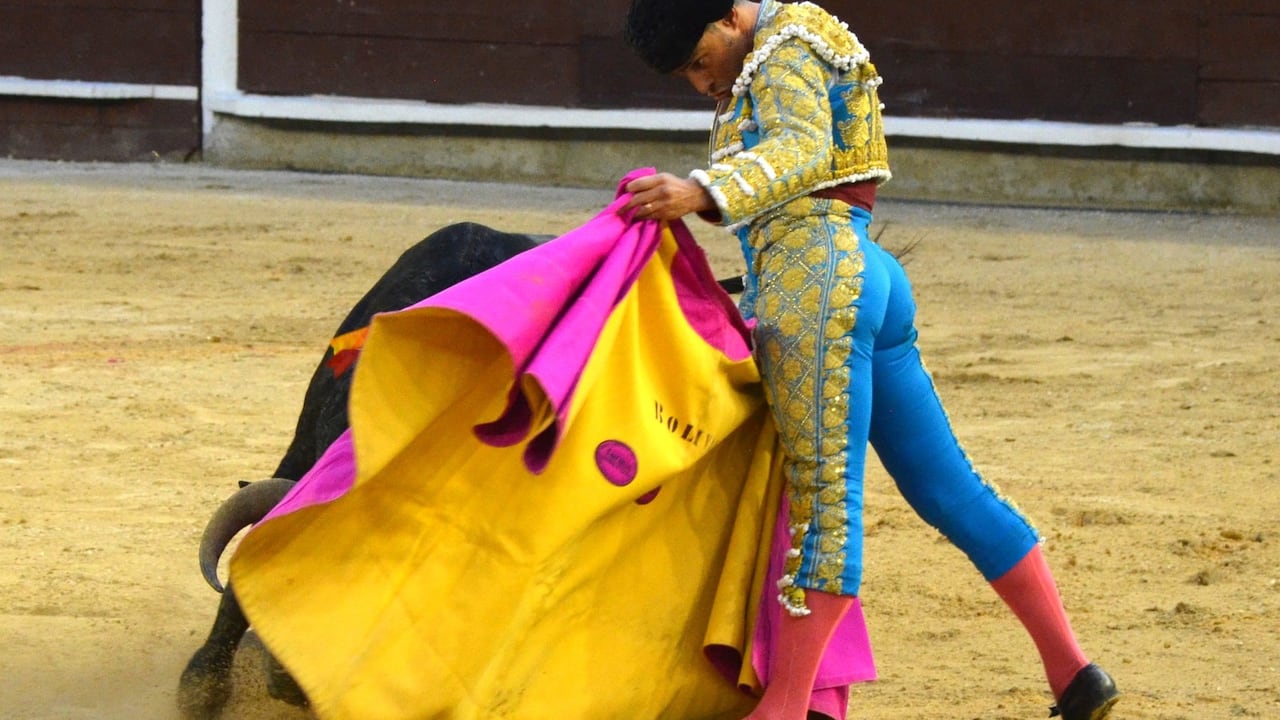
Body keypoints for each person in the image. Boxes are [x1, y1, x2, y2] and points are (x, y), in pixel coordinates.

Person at [620, 1, 1121, 719]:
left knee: (824, 503)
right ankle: (1073, 672)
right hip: (865, 271)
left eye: (699, 61)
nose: (701, 84)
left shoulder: (783, 47)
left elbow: (799, 148)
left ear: (732, 19)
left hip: (816, 281)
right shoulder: (798, 36)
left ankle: (787, 705)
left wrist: (702, 190)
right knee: (951, 489)